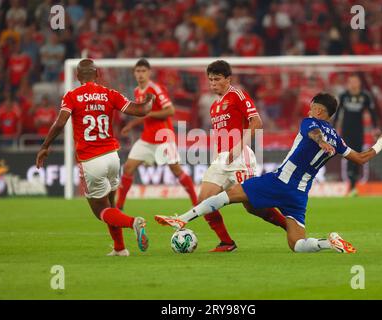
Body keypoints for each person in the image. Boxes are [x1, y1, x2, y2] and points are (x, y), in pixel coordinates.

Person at [155, 93, 382, 254]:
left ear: (319, 111)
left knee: (229, 195)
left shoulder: (310, 123)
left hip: (280, 181)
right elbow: (362, 158)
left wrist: (320, 142)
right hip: (300, 194)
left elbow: (313, 134)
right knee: (296, 243)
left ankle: (182, 218)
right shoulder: (338, 139)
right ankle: (328, 243)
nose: (309, 109)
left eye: (313, 106)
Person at [36, 59, 154, 257]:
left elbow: (59, 123)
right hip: (113, 157)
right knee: (111, 205)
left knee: (101, 211)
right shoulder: (110, 94)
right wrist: (149, 99)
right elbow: (140, 110)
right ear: (97, 74)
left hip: (91, 160)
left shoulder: (72, 96)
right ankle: (120, 248)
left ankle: (134, 222)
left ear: (77, 76)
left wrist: (45, 146)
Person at [180, 60, 287, 252]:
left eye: (217, 79)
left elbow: (256, 122)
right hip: (221, 159)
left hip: (240, 157)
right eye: (210, 80)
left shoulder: (237, 95)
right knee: (203, 200)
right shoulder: (214, 106)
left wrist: (239, 147)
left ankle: (290, 226)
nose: (213, 83)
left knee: (253, 205)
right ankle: (226, 242)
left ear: (228, 79)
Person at [115, 58, 198, 210]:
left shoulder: (155, 88)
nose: (140, 74)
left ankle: (196, 202)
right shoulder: (136, 91)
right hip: (147, 138)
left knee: (176, 169)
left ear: (149, 73)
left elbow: (170, 110)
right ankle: (119, 206)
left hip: (164, 138)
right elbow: (144, 114)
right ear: (134, 73)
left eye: (143, 71)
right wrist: (132, 124)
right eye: (138, 71)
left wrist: (144, 116)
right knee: (128, 168)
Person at [333, 74, 379, 196]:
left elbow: (372, 112)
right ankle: (352, 185)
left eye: (355, 81)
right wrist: (333, 128)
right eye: (351, 81)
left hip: (359, 131)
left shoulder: (365, 96)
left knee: (358, 156)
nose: (353, 84)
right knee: (349, 155)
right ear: (348, 83)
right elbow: (337, 114)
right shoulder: (344, 96)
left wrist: (375, 128)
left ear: (359, 83)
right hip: (346, 131)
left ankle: (354, 185)